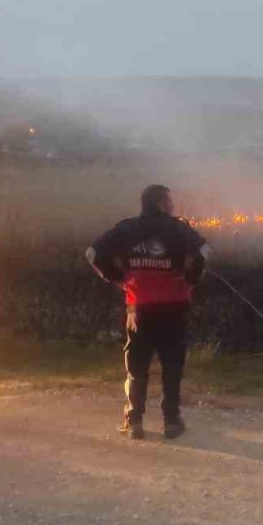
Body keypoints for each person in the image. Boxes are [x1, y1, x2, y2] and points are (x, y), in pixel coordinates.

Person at [87, 185, 211, 439]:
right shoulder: (179, 228)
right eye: (170, 200)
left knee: (137, 366)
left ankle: (134, 422)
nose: (173, 204)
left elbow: (92, 253)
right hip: (175, 306)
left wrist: (118, 279)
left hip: (139, 307)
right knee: (172, 365)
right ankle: (172, 421)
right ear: (162, 203)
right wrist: (191, 279)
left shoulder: (126, 228)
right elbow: (205, 251)